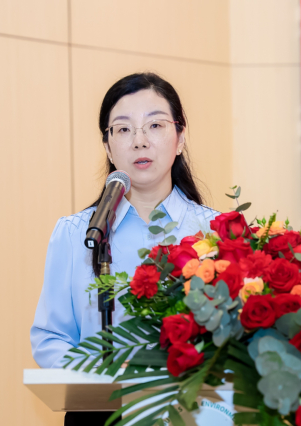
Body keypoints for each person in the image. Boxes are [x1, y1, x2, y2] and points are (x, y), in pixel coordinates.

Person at [30, 72, 221, 425]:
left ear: (180, 138)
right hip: (102, 414)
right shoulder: (76, 234)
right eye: (123, 129)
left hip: (195, 413)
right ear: (108, 147)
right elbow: (51, 338)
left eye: (155, 125)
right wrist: (104, 378)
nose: (139, 141)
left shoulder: (217, 232)